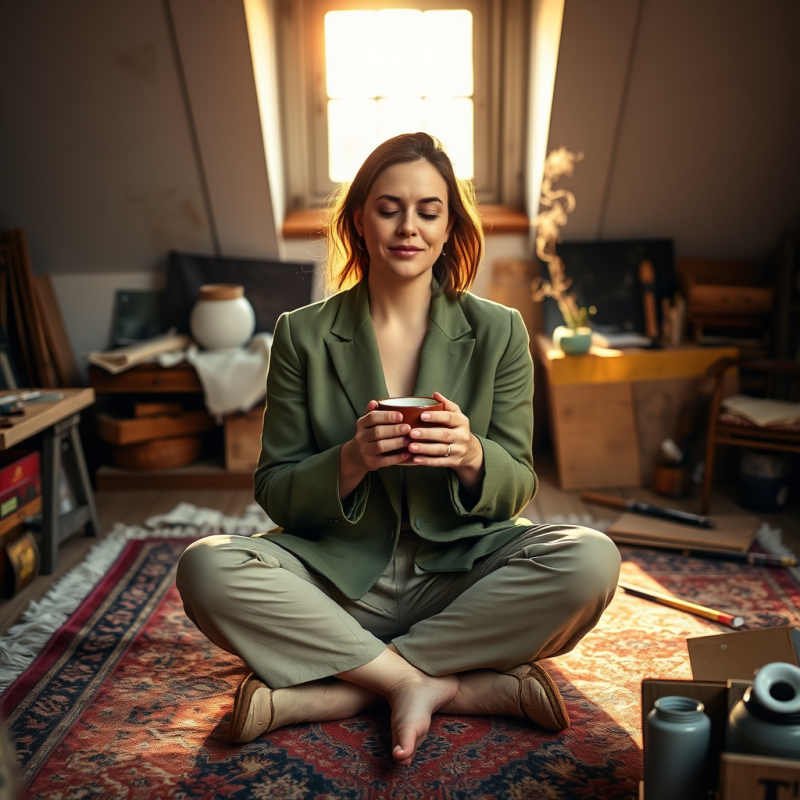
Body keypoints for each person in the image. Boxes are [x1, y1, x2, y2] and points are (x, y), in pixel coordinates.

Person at [176, 132, 621, 766]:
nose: (408, 226)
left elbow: (518, 480)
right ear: (359, 220)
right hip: (336, 582)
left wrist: (471, 454)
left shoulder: (500, 330)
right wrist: (352, 460)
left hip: (461, 577)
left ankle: (337, 691)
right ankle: (442, 684)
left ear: (448, 227)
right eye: (388, 208)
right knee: (206, 567)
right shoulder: (301, 334)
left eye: (428, 211)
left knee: (592, 560)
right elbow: (274, 487)